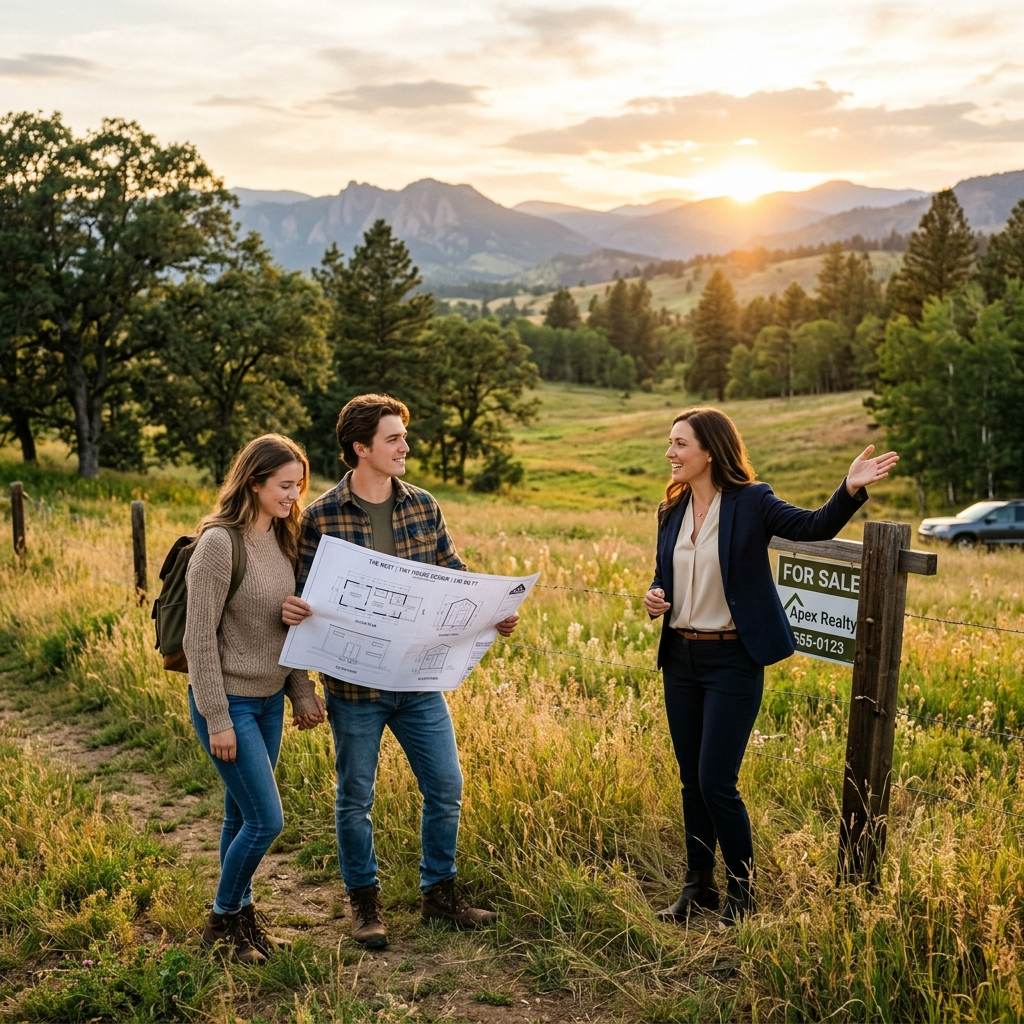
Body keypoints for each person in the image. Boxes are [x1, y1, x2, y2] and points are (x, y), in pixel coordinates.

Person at [282, 394, 519, 950]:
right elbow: (301, 592)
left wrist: (492, 612)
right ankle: (364, 903)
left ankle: (439, 893)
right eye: (393, 439)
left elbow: (452, 573)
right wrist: (296, 620)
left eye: (403, 437)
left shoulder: (423, 505)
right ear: (360, 448)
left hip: (418, 683)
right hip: (354, 689)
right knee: (355, 797)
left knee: (446, 786)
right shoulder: (320, 516)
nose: (405, 446)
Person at [643, 408, 898, 927]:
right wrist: (655, 595)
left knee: (716, 781)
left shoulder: (752, 501)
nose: (670, 453)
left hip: (733, 661)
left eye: (680, 444)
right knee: (691, 781)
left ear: (710, 450)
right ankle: (698, 886)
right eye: (670, 443)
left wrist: (849, 488)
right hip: (681, 657)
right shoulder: (670, 511)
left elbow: (811, 526)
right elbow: (663, 573)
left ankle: (742, 893)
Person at [185, 434, 326, 963]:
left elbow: (283, 628)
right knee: (267, 821)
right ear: (254, 482)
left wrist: (301, 692)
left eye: (299, 486)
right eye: (284, 485)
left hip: (268, 701)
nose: (294, 496)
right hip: (230, 702)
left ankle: (241, 923)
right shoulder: (219, 544)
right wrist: (217, 717)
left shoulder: (285, 540)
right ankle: (220, 924)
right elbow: (198, 639)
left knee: (241, 817)